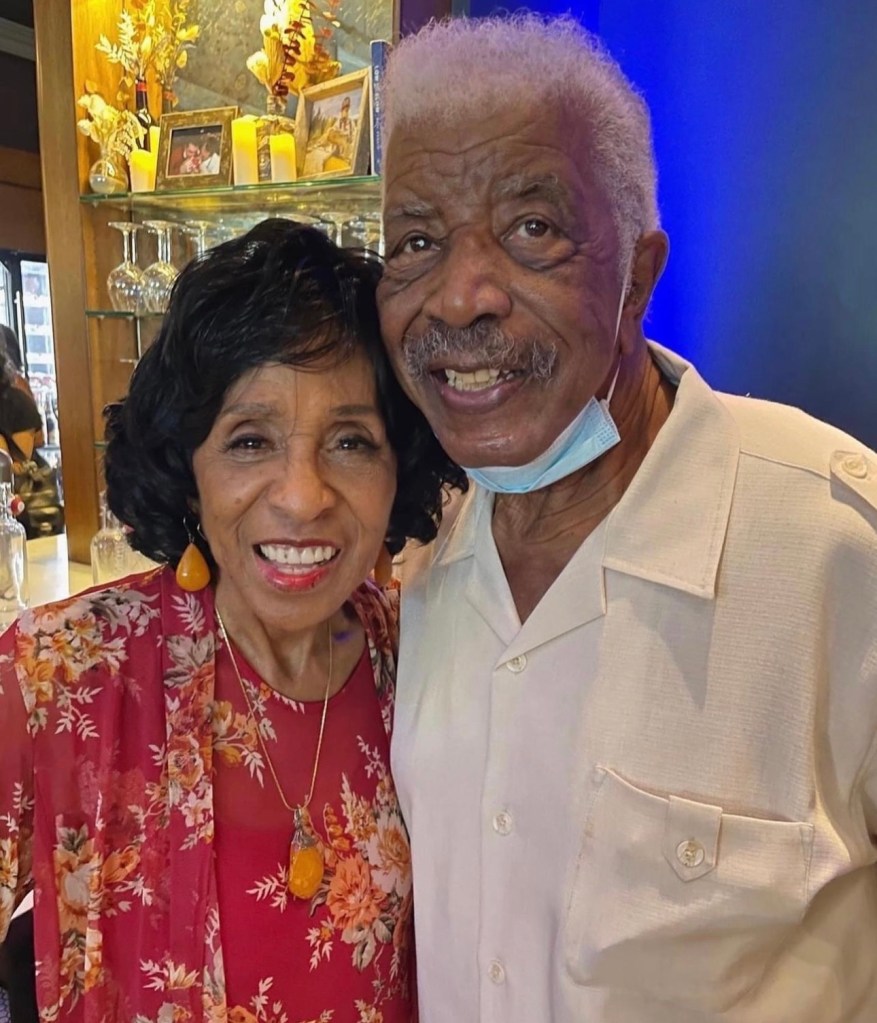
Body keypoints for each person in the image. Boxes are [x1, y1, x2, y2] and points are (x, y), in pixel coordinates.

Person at [377, 14, 877, 1023]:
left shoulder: (834, 546)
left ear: (638, 277)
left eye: (532, 229)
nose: (460, 296)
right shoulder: (410, 567)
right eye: (417, 241)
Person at [0, 219, 463, 1021]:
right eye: (249, 441)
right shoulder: (60, 671)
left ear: (400, 466)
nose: (302, 496)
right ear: (189, 470)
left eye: (351, 441)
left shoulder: (424, 654)